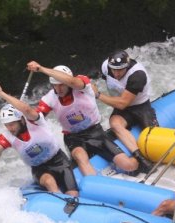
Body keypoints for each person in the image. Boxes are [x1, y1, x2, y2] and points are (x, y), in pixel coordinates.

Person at [10, 61, 141, 176]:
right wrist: (21, 120)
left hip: (95, 132)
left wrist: (41, 69)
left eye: (61, 84)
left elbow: (72, 82)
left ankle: (139, 160)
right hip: (73, 138)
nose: (58, 88)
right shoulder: (49, 98)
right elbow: (36, 118)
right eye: (55, 85)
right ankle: (95, 185)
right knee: (80, 156)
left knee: (129, 165)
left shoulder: (82, 84)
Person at [0, 102, 78, 197]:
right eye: (6, 125)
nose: (9, 128)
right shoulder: (7, 137)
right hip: (39, 169)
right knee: (49, 181)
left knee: (73, 193)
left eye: (12, 124)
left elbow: (26, 109)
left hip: (59, 161)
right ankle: (61, 205)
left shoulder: (35, 122)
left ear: (21, 120)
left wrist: (2, 94)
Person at [92, 50, 156, 172]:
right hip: (123, 107)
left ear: (126, 66)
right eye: (114, 70)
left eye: (120, 70)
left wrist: (98, 95)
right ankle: (140, 157)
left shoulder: (137, 75)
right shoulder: (106, 67)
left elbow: (122, 103)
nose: (116, 73)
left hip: (140, 105)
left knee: (152, 136)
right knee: (115, 123)